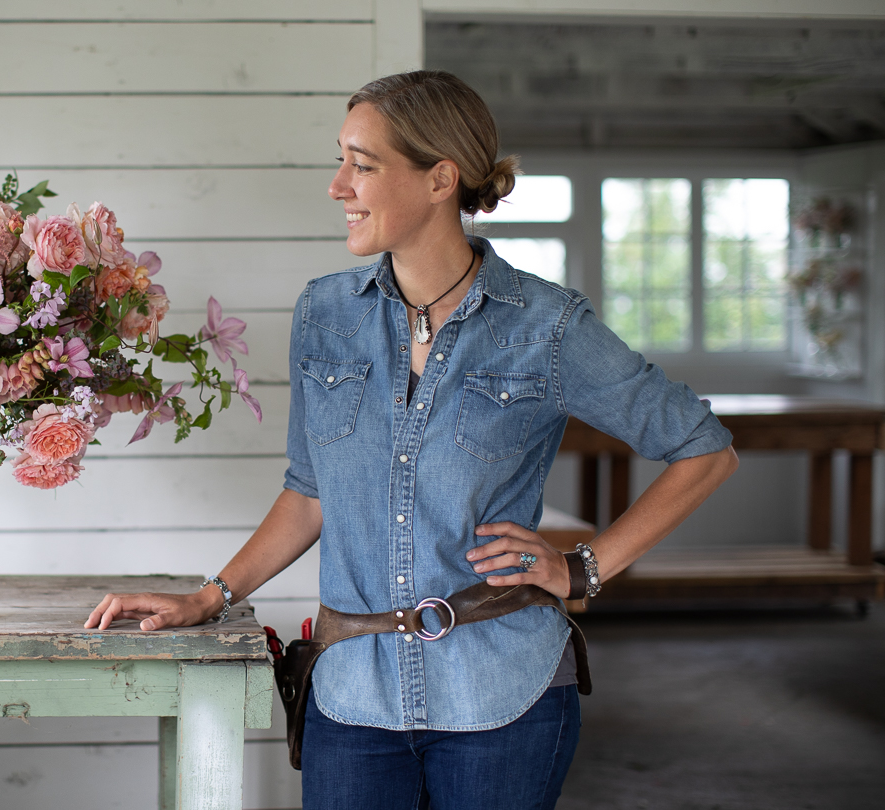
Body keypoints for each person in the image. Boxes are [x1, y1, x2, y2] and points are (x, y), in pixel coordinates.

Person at [84, 70, 738, 809]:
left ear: (440, 178)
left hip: (505, 695)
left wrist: (584, 570)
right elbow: (309, 493)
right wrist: (211, 596)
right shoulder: (325, 313)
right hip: (353, 696)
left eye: (362, 165)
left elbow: (705, 449)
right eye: (342, 159)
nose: (338, 186)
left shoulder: (547, 326)